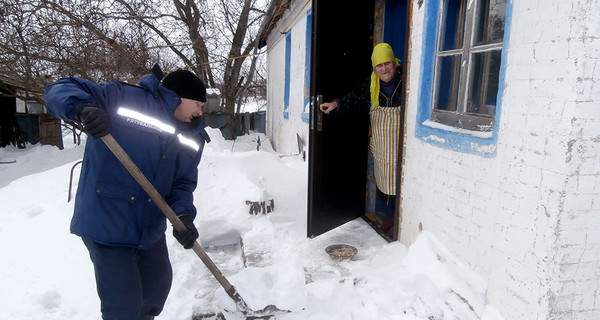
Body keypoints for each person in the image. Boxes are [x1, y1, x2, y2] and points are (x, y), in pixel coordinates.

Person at [44, 64, 210, 320]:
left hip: (149, 229)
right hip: (108, 223)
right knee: (124, 307)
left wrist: (184, 217)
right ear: (180, 96)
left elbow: (182, 184)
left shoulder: (192, 135)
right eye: (198, 103)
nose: (200, 111)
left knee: (155, 293)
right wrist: (81, 109)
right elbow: (59, 88)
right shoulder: (122, 97)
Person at [320, 43, 403, 237]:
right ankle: (393, 218)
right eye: (379, 65)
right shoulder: (371, 86)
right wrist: (335, 104)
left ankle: (396, 222)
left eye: (387, 63)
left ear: (394, 63)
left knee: (403, 185)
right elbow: (353, 98)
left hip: (401, 148)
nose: (384, 69)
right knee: (388, 186)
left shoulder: (405, 83)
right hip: (384, 148)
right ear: (374, 68)